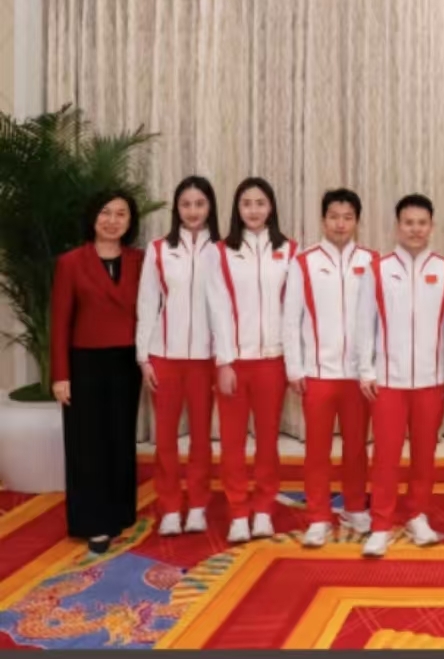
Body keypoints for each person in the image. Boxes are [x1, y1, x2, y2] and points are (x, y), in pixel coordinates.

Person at [355, 194, 444, 558]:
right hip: (388, 381)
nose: (415, 229)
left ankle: (417, 515)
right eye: (408, 223)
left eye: (422, 223)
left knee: (424, 454)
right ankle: (380, 524)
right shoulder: (378, 269)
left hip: (431, 381)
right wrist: (366, 370)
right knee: (385, 456)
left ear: (432, 227)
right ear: (397, 227)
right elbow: (364, 323)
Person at [51, 190, 146, 555]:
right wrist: (61, 375)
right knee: (87, 444)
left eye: (121, 214)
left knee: (120, 439)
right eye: (106, 212)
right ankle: (93, 522)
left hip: (126, 362)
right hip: (85, 363)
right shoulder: (71, 262)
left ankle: (120, 511)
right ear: (93, 217)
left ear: (130, 222)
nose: (112, 220)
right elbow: (60, 322)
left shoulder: (140, 261)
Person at [207, 177, 299, 544]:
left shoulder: (289, 250)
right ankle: (238, 512)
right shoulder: (221, 251)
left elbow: (293, 312)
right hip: (234, 362)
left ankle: (263, 509)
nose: (254, 210)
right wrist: (224, 361)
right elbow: (218, 309)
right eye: (247, 203)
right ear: (237, 209)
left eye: (260, 203)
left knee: (267, 441)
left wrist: (292, 362)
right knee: (232, 443)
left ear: (271, 207)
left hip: (272, 362)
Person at [283, 188, 376, 548]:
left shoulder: (371, 261)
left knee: (356, 447)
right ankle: (318, 515)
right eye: (334, 217)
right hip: (317, 373)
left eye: (348, 217)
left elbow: (380, 319)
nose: (340, 224)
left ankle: (354, 507)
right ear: (323, 220)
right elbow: (290, 318)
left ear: (357, 222)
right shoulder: (304, 262)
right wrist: (294, 368)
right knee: (317, 449)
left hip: (357, 376)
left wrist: (372, 367)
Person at [135, 175, 220, 537]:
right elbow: (146, 304)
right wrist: (144, 357)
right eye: (186, 204)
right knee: (166, 438)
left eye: (199, 204)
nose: (193, 211)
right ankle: (170, 506)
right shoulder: (158, 249)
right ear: (177, 209)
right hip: (164, 355)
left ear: (210, 207)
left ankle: (198, 505)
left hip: (206, 358)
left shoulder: (223, 249)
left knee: (201, 436)